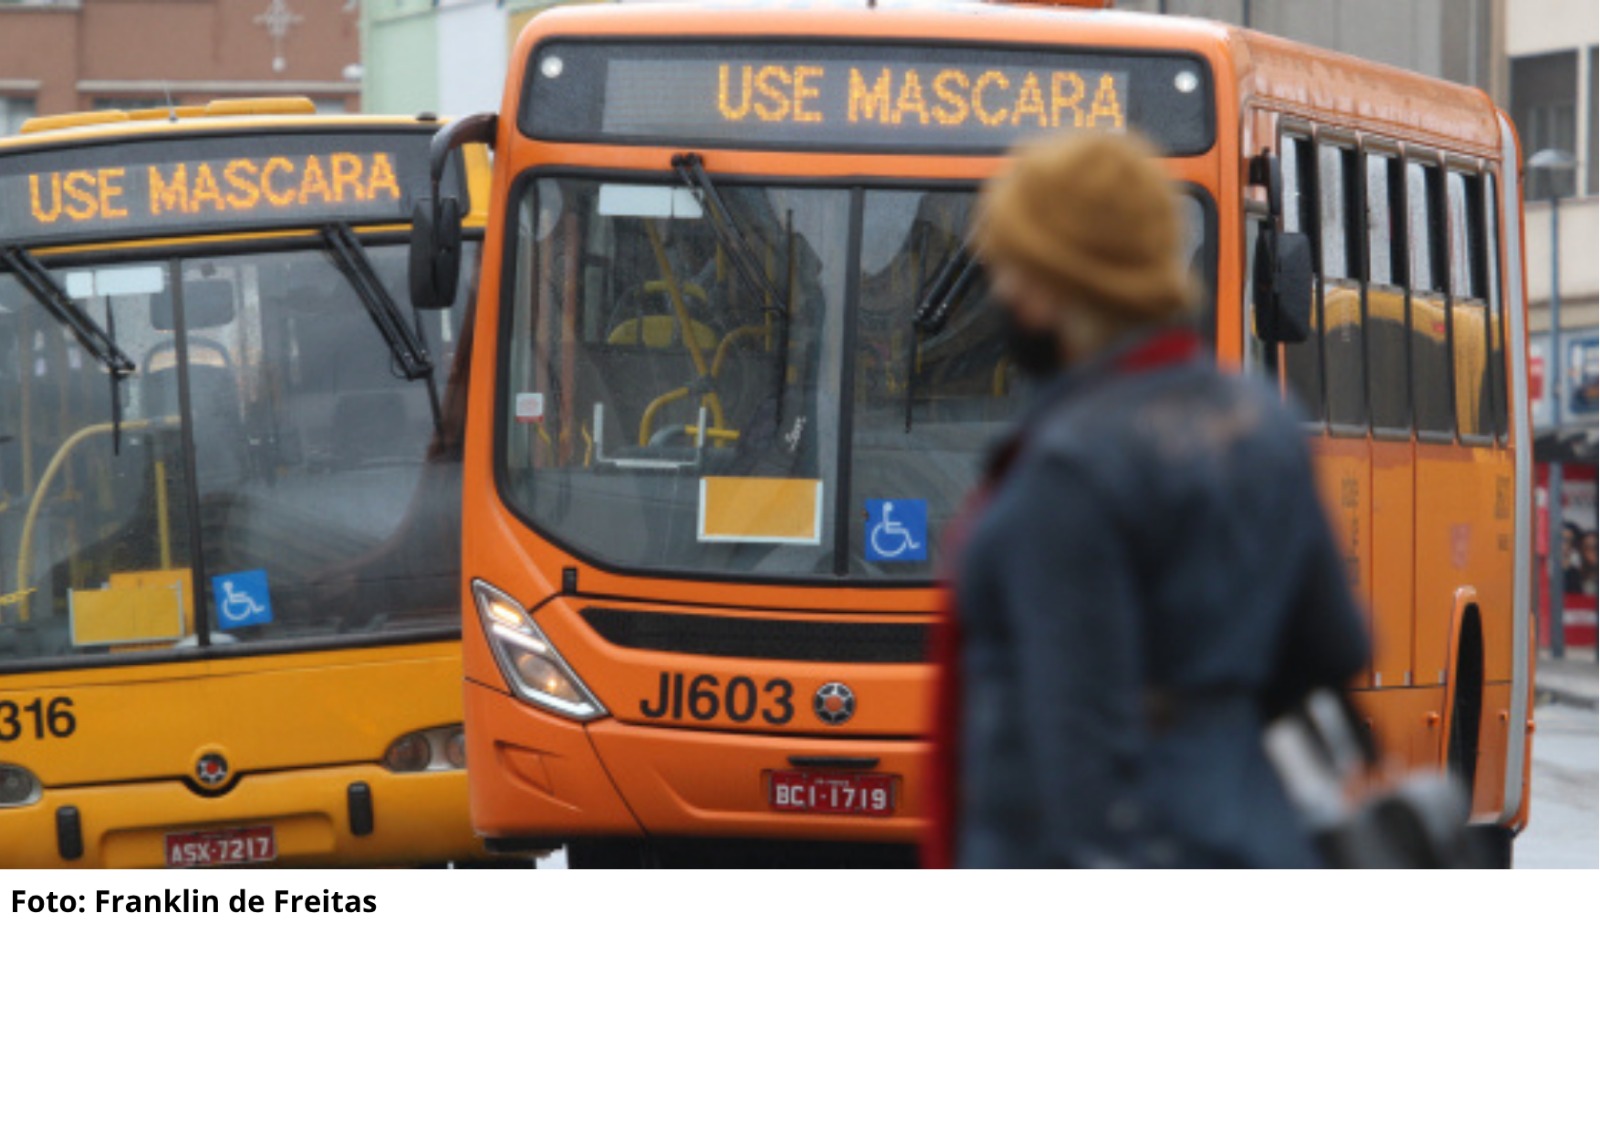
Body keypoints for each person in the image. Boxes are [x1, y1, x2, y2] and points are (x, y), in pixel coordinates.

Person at [924, 133, 1369, 868]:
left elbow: (1078, 769)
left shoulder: (1068, 470)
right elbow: (1335, 644)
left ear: (1058, 279)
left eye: (1011, 270)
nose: (1000, 294)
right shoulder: (1260, 421)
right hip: (1248, 835)